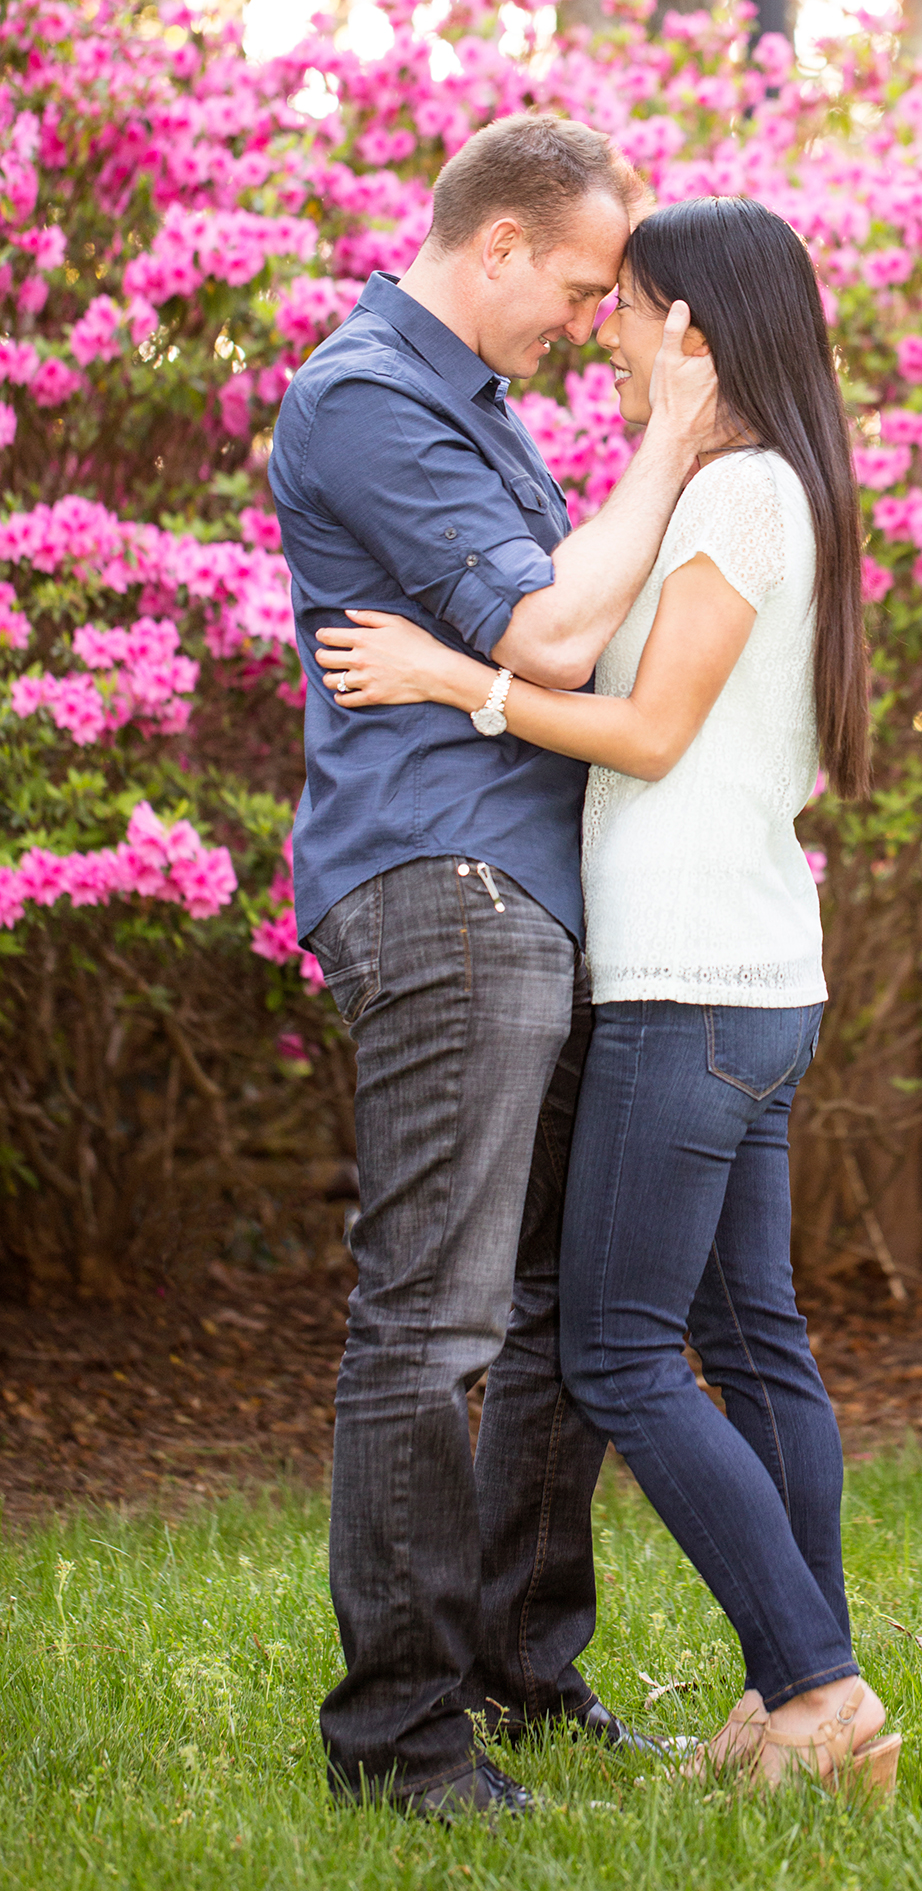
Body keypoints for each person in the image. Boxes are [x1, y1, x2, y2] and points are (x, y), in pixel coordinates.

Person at [312, 195, 901, 1798]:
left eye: (632, 307)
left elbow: (642, 731)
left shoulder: (740, 501)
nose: (608, 331)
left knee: (624, 1353)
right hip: (748, 977)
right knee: (751, 1341)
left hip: (691, 989)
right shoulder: (749, 492)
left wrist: (458, 679)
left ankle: (818, 1685)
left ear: (698, 332)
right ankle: (806, 1703)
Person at [267, 115, 721, 1822]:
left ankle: (522, 1672)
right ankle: (398, 1737)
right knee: (435, 1321)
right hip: (446, 887)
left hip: (537, 886)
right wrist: (671, 445)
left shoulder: (483, 415)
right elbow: (544, 631)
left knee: (548, 1310)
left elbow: (577, 629)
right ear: (505, 245)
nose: (591, 325)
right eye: (585, 288)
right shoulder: (369, 395)